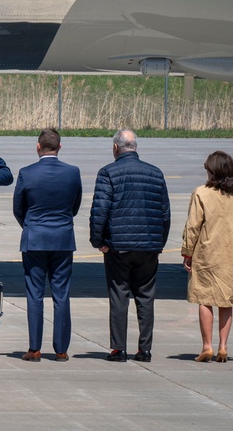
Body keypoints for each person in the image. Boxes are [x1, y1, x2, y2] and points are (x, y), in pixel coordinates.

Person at [90, 129, 171, 363]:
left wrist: (98, 241)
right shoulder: (155, 173)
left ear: (116, 148)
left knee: (119, 295)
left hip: (118, 246)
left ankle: (119, 348)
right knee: (146, 297)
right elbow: (165, 213)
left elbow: (100, 211)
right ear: (135, 147)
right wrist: (159, 242)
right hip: (148, 246)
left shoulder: (108, 172)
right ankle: (144, 349)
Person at [12, 128, 82, 363]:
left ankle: (34, 348)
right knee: (61, 293)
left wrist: (31, 227)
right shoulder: (72, 173)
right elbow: (75, 206)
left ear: (38, 147)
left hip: (35, 238)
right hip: (62, 238)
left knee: (35, 294)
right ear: (59, 147)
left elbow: (18, 208)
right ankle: (61, 350)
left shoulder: (26, 173)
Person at [181, 151, 233, 363]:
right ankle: (223, 346)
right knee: (226, 301)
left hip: (206, 254)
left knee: (205, 299)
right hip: (230, 254)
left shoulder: (201, 193)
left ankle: (207, 346)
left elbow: (193, 226)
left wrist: (187, 251)